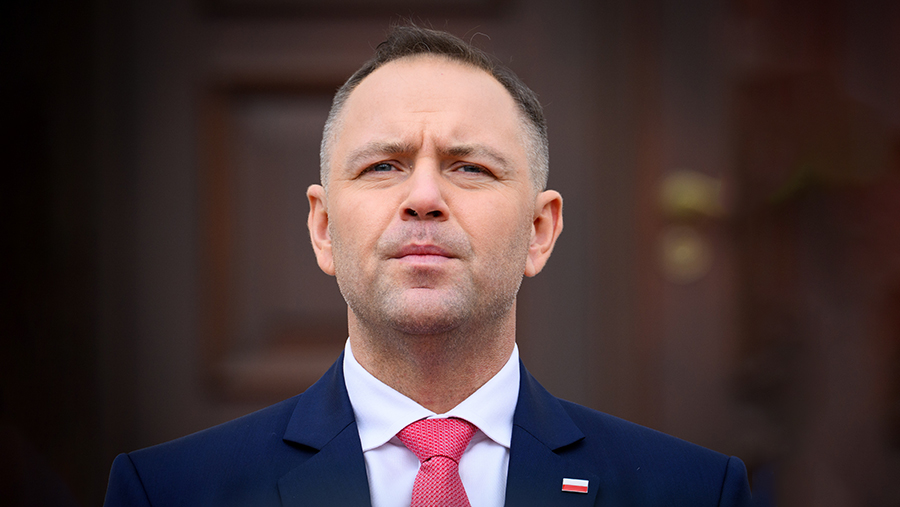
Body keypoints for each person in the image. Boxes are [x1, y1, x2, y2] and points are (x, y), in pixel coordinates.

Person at [103, 25, 752, 507]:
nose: (423, 197)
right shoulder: (166, 491)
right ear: (324, 228)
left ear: (539, 230)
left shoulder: (695, 492)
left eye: (469, 167)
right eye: (383, 165)